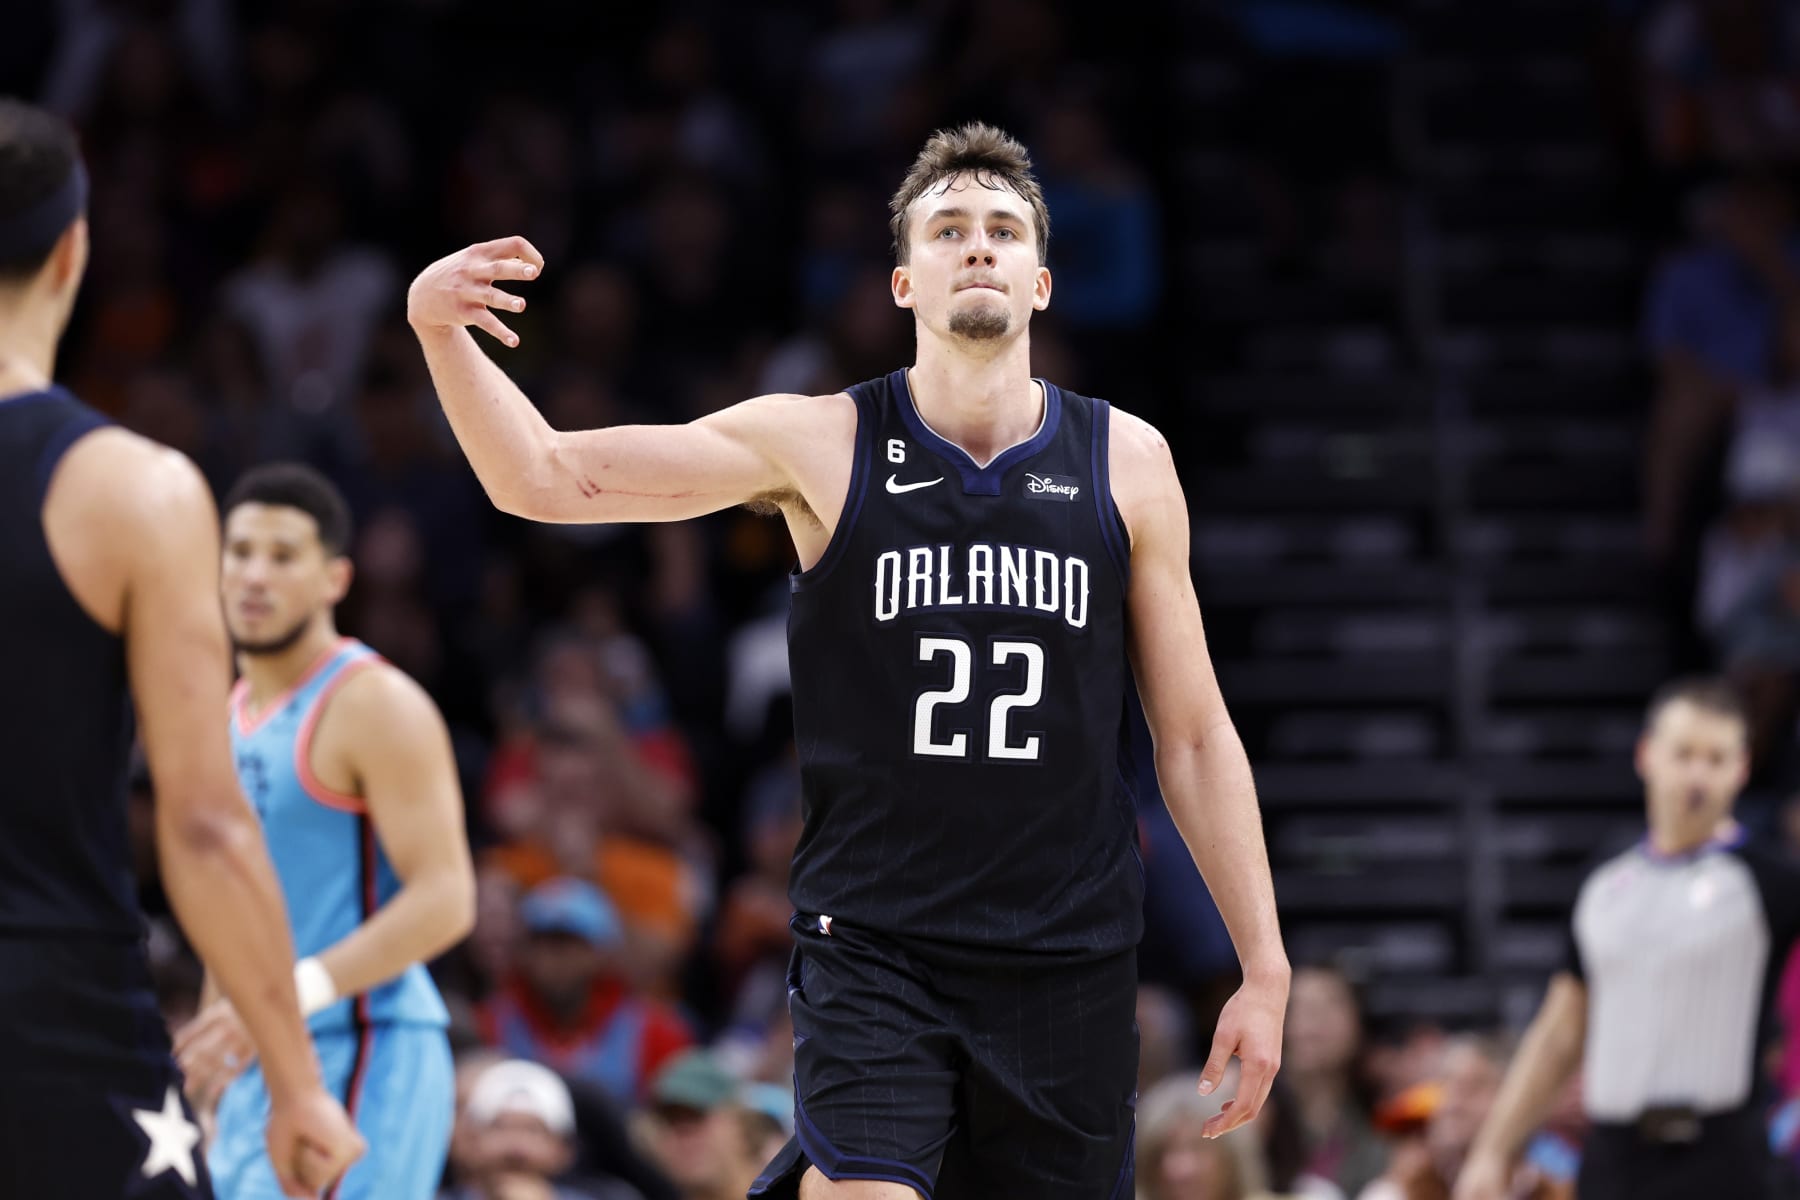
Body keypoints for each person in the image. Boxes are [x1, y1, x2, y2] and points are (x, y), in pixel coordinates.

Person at [406, 121, 1289, 1199]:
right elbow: (543, 478)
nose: (978, 246)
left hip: (1069, 959)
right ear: (904, 282)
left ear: (1043, 282)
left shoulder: (1129, 461)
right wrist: (440, 333)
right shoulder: (820, 441)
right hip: (878, 948)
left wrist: (1264, 962)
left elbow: (1192, 736)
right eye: (950, 228)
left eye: (1004, 230)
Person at [0, 98, 363, 1198]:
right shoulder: (131, 490)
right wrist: (296, 1086)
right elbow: (202, 821)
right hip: (46, 993)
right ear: (74, 251)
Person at [173, 462, 476, 1198]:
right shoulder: (224, 716)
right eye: (239, 552)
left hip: (367, 1043)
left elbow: (447, 899)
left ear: (334, 579)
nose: (254, 575)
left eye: (282, 557)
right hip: (262, 1053)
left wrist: (291, 995)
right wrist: (216, 1048)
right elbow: (227, 904)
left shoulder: (376, 705)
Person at [1455, 678, 1800, 1200]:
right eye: (1684, 753)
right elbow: (1559, 1030)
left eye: (1716, 757)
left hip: (1724, 1155)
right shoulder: (1604, 883)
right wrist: (1493, 1150)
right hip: (1615, 1158)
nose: (1698, 773)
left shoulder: (1770, 881)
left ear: (1742, 769)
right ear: (1647, 755)